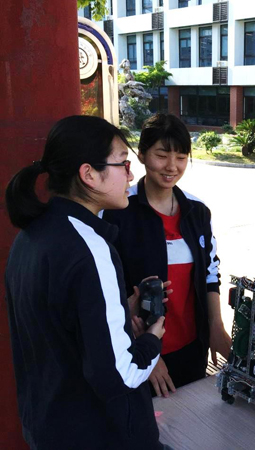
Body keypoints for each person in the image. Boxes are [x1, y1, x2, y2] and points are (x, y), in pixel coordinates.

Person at [4, 116, 166, 449]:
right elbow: (120, 374)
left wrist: (120, 311)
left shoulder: (31, 234)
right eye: (122, 164)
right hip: (97, 434)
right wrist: (152, 339)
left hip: (47, 426)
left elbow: (58, 327)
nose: (130, 175)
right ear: (89, 174)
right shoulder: (91, 248)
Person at [102, 114, 231, 397]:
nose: (172, 166)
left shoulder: (197, 211)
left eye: (181, 157)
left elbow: (210, 274)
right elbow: (107, 291)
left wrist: (215, 327)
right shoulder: (117, 212)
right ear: (141, 154)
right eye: (161, 155)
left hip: (191, 347)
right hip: (139, 351)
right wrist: (144, 350)